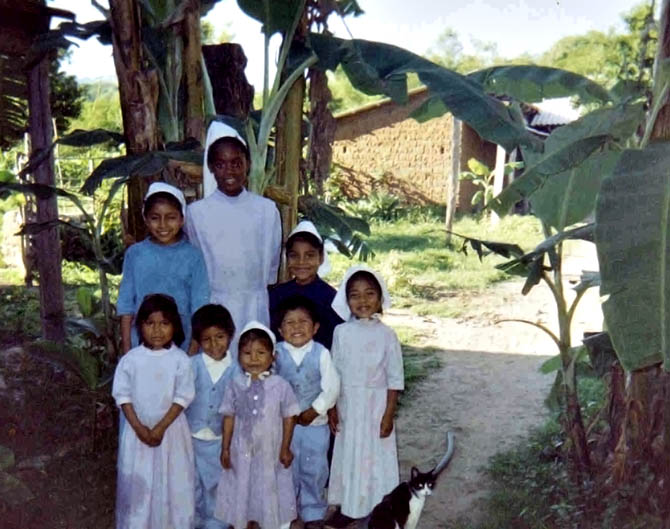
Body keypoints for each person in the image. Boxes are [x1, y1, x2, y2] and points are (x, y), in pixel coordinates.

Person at [186, 122, 282, 345]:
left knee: (254, 360)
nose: (229, 171)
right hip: (216, 304)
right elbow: (198, 260)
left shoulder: (267, 210)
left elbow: (272, 261)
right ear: (210, 168)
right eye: (220, 165)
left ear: (247, 164)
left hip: (255, 303)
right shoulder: (197, 213)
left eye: (236, 163)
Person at [326, 266, 405, 526]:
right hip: (348, 404)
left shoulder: (387, 335)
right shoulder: (341, 332)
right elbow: (334, 372)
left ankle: (378, 505)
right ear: (346, 300)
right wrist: (332, 407)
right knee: (350, 454)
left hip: (375, 407)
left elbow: (394, 378)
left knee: (374, 456)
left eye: (369, 294)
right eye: (355, 295)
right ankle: (349, 505)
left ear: (380, 298)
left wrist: (389, 413)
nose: (362, 301)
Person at [112, 293, 196, 529]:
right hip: (138, 435)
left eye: (164, 323)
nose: (157, 330)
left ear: (175, 327)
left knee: (172, 483)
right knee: (140, 486)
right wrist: (140, 429)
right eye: (150, 323)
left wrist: (159, 428)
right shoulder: (130, 360)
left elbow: (183, 397)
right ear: (140, 326)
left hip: (171, 434)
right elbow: (123, 396)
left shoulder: (181, 360)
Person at [214, 322, 300, 529]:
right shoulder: (235, 384)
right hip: (241, 450)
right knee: (243, 485)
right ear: (238, 356)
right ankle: (245, 522)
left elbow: (289, 416)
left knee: (270, 486)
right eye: (247, 353)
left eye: (261, 352)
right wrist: (225, 448)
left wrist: (285, 447)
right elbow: (229, 416)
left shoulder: (280, 385)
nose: (253, 359)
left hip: (271, 450)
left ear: (273, 356)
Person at [118, 182, 209, 354]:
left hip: (182, 344)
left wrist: (192, 350)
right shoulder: (135, 254)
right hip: (141, 346)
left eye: (171, 217)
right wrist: (127, 350)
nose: (163, 225)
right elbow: (126, 305)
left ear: (182, 219)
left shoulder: (193, 256)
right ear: (145, 218)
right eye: (155, 217)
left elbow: (200, 307)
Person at [274, 295, 339, 528]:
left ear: (315, 327)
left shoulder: (321, 353)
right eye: (290, 323)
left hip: (315, 425)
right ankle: (288, 510)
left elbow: (332, 387)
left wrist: (315, 410)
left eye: (303, 322)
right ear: (280, 330)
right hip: (285, 427)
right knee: (286, 467)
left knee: (314, 467)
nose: (297, 327)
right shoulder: (276, 353)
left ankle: (313, 511)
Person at [186, 304, 238, 529]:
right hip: (191, 436)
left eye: (220, 337)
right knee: (192, 484)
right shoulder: (191, 366)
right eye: (206, 339)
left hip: (220, 440)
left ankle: (216, 523)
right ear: (197, 340)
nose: (214, 344)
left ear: (230, 335)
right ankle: (194, 521)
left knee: (218, 484)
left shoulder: (238, 370)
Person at [269, 220, 343, 349]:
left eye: (309, 255)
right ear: (287, 258)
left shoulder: (331, 299)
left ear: (321, 258)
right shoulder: (277, 295)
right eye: (294, 255)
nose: (301, 262)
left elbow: (337, 342)